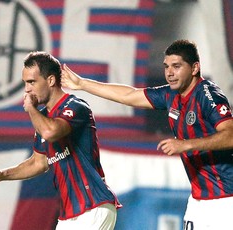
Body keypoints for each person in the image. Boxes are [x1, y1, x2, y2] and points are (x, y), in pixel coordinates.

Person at [61, 39, 233, 230]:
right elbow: (129, 95)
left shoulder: (208, 95)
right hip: (199, 200)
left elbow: (230, 135)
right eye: (166, 66)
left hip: (227, 199)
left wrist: (187, 144)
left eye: (176, 66)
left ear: (194, 68)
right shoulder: (170, 95)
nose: (169, 73)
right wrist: (82, 84)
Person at [0, 51, 121, 230]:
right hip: (69, 216)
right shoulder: (43, 118)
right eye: (25, 83)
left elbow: (50, 131)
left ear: (51, 80)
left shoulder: (76, 107)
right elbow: (38, 163)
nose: (27, 89)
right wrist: (2, 174)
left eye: (32, 82)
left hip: (93, 207)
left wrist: (31, 108)